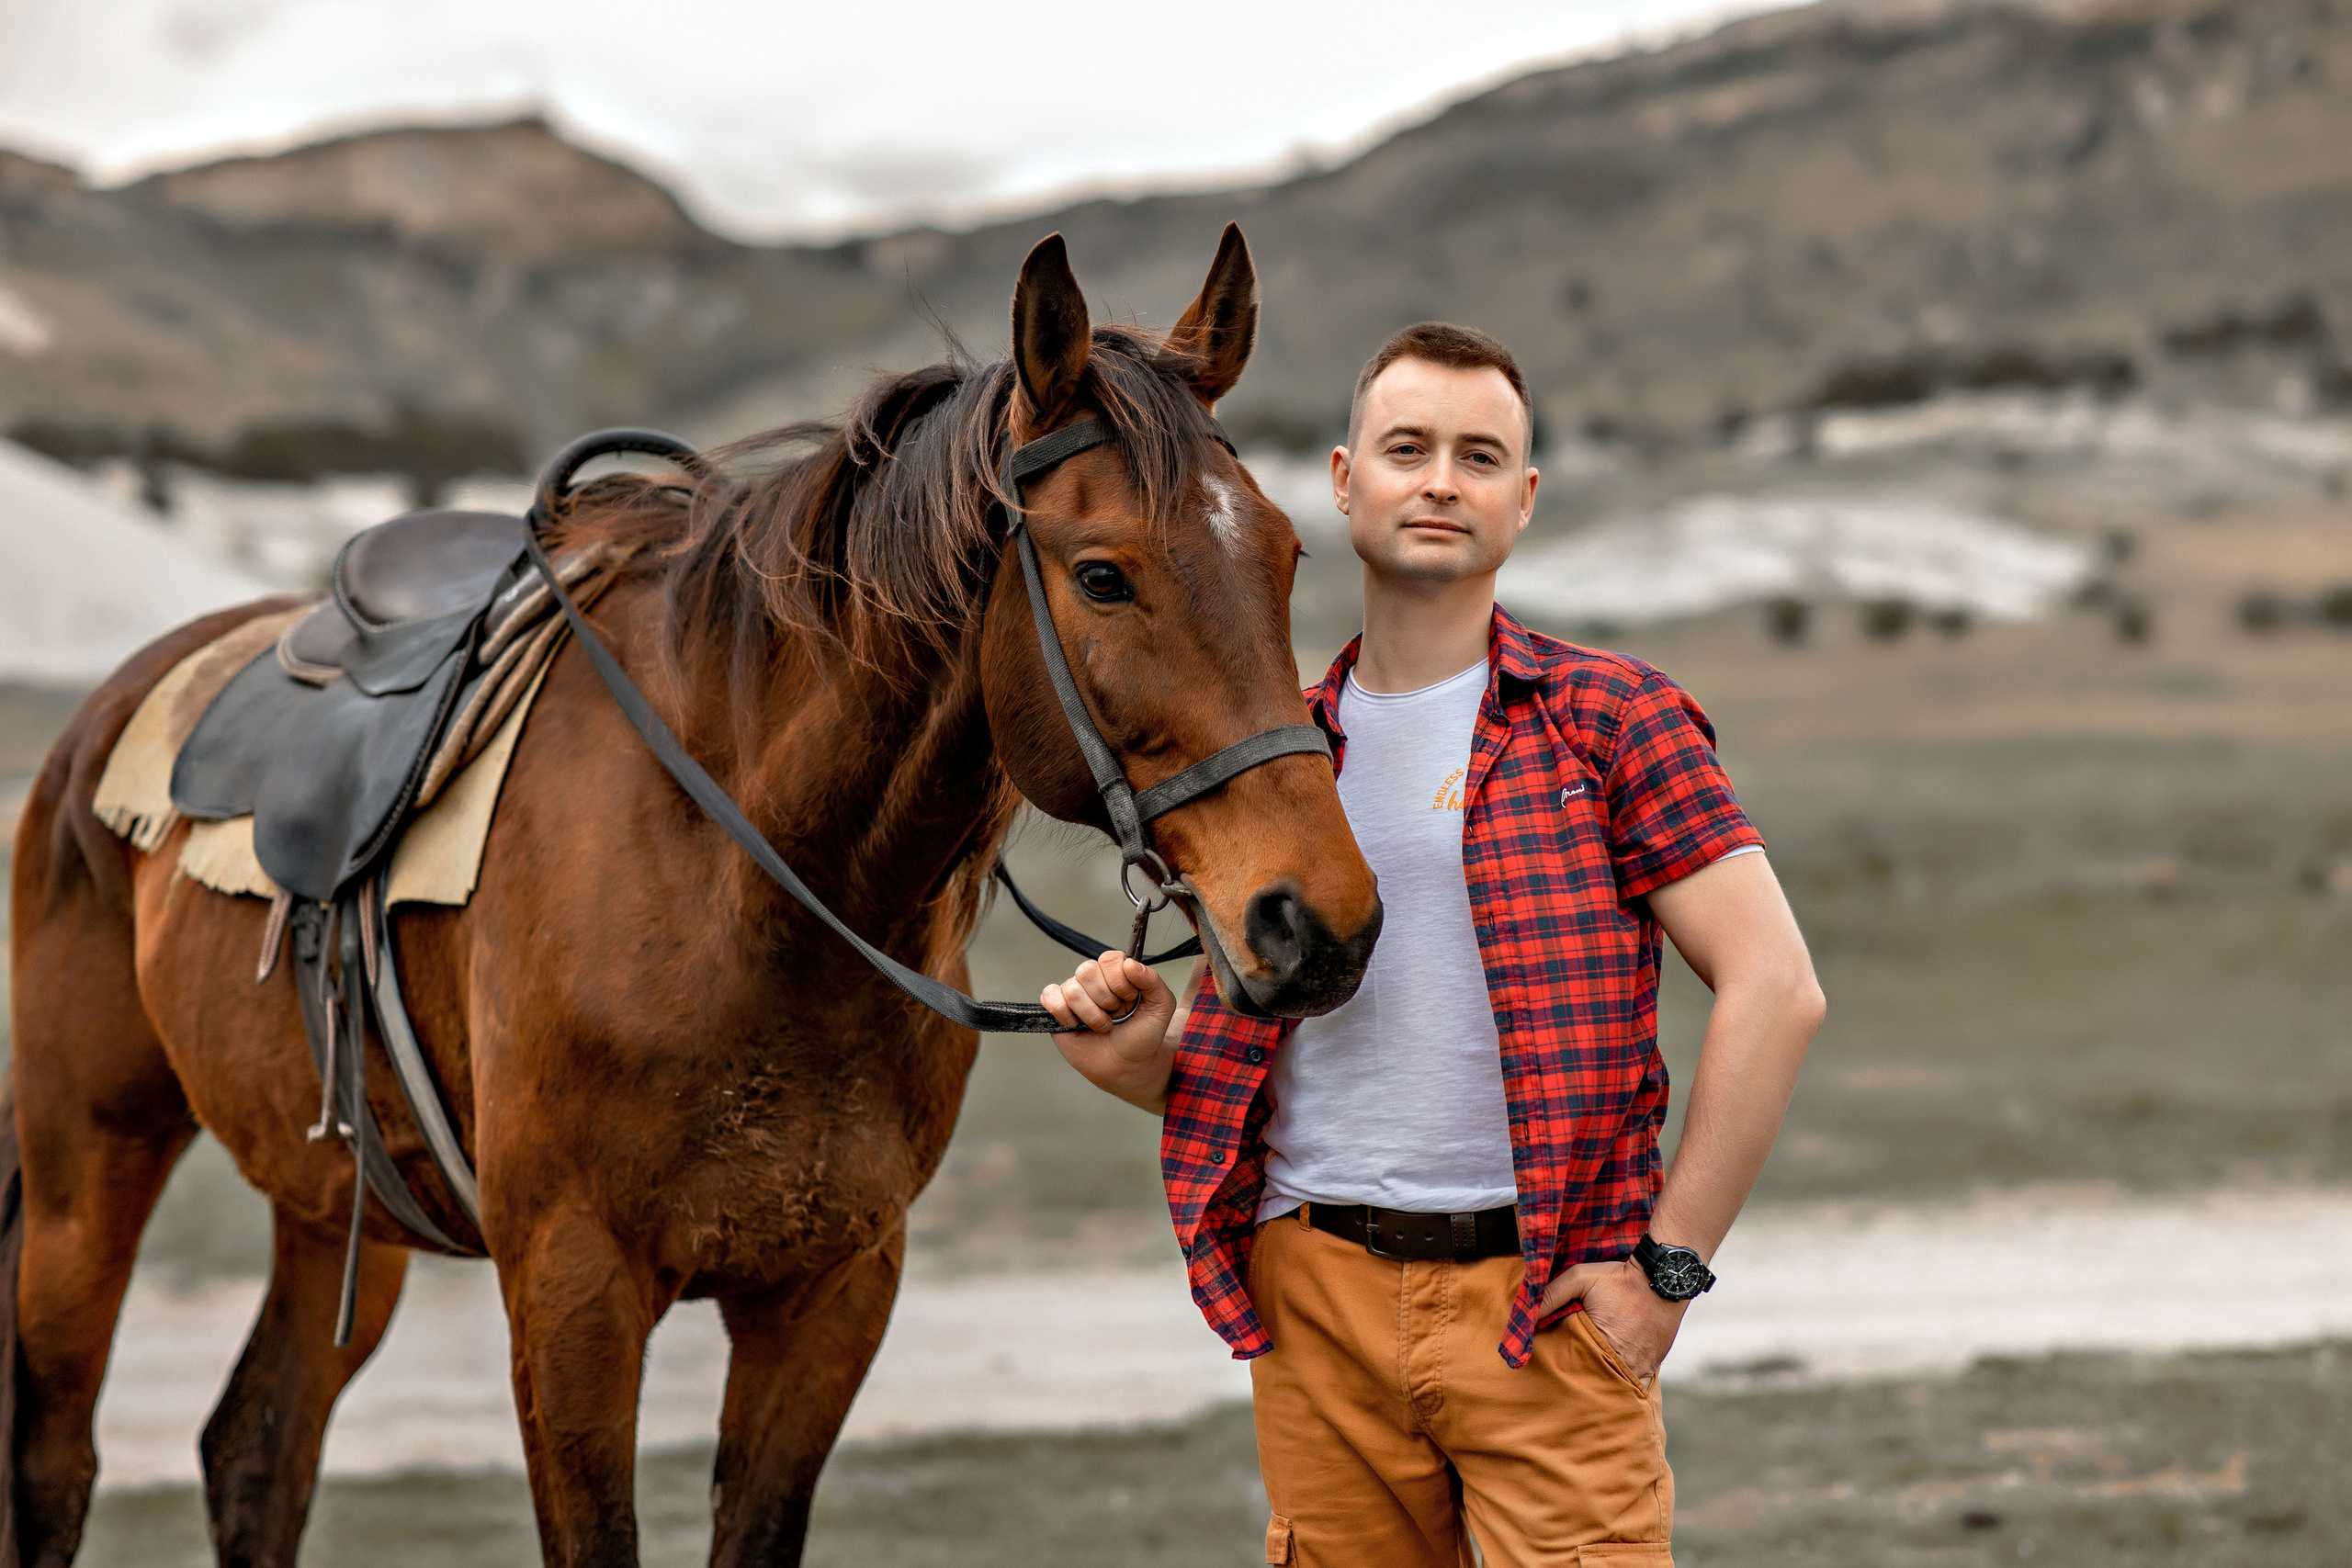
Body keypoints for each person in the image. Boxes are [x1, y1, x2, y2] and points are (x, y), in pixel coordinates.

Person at [1039, 321, 1825, 1568]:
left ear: (1524, 499)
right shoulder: (1275, 761)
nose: (1442, 480)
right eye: (1409, 448)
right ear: (1347, 482)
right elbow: (1278, 1064)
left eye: (1480, 455)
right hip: (1314, 1302)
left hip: (1548, 1305)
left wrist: (1667, 1268)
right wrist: (1152, 1059)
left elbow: (1777, 991)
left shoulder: (1613, 721)